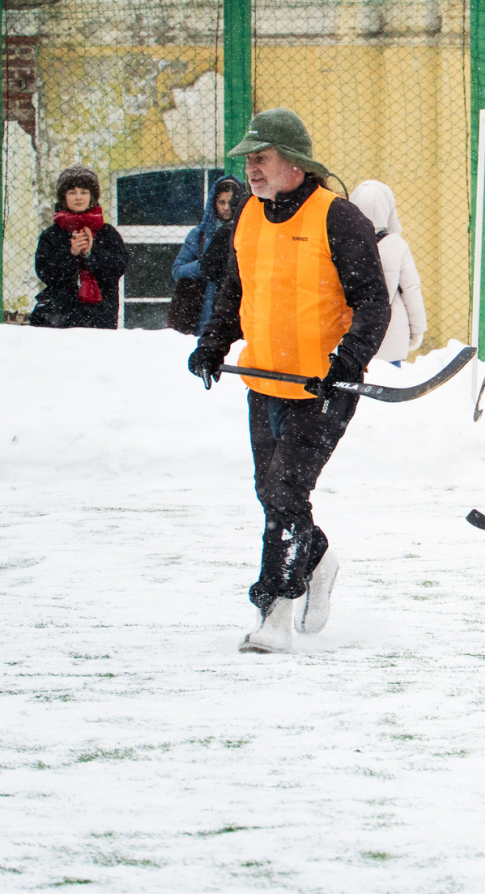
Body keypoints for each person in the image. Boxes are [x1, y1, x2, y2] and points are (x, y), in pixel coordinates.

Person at [187, 109, 390, 654]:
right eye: (249, 159)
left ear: (294, 164)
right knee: (272, 494)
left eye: (262, 157)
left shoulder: (339, 218)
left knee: (283, 492)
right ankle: (318, 559)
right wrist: (212, 342)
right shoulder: (248, 216)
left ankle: (273, 615)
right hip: (262, 380)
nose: (251, 169)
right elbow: (235, 293)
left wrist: (347, 361)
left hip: (322, 389)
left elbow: (373, 303)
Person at [32, 167, 128, 330]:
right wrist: (71, 254)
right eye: (72, 192)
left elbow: (118, 268)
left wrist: (91, 254)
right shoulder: (52, 234)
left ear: (92, 196)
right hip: (60, 315)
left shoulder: (107, 233)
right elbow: (46, 273)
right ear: (63, 197)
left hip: (101, 315)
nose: (78, 197)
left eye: (84, 192)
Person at [350, 180, 428, 367]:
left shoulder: (346, 242)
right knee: (390, 384)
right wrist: (417, 329)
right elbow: (411, 289)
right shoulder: (397, 244)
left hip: (354, 334)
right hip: (391, 332)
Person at [170, 176, 241, 335]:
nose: (227, 208)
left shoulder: (247, 231)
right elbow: (177, 270)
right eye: (222, 202)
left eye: (231, 202)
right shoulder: (199, 235)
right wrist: (204, 266)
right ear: (213, 203)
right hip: (203, 306)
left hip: (238, 305)